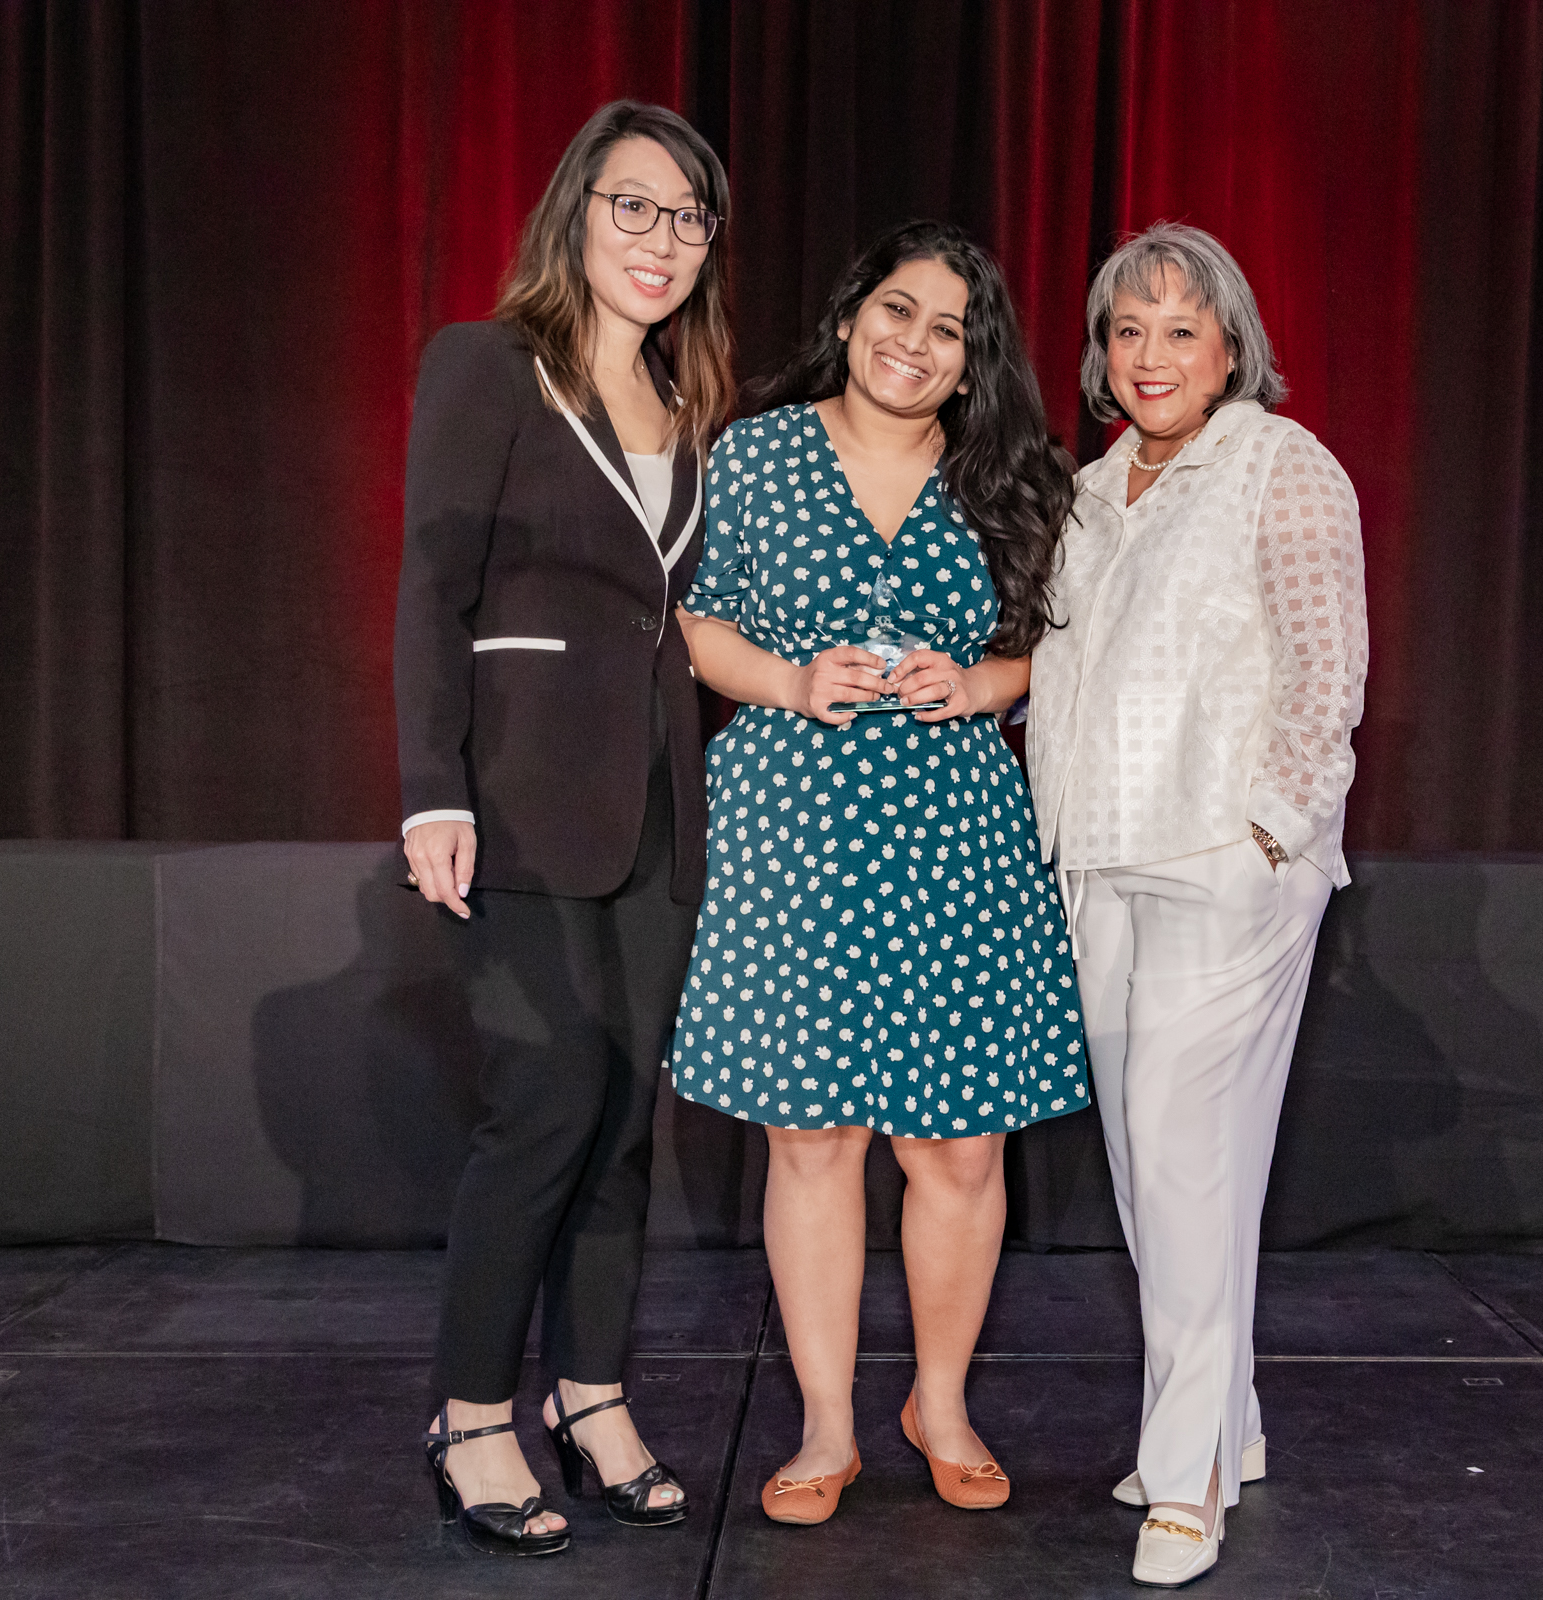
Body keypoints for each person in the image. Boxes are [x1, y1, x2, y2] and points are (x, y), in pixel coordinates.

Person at [669, 220, 1088, 1526]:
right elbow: (696, 625)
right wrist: (792, 680)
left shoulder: (1014, 476)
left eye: (948, 329)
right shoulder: (754, 454)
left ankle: (941, 1405)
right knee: (813, 1137)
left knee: (957, 1146)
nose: (915, 343)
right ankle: (827, 1423)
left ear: (973, 360)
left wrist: (986, 683)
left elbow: (1070, 647)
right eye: (896, 311)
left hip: (958, 830)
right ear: (851, 315)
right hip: (794, 822)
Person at [393, 100, 733, 1557]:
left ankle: (590, 1397)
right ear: (576, 212)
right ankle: (473, 1415)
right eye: (633, 206)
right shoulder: (489, 363)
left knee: (622, 1117)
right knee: (542, 1100)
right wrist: (433, 787)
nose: (662, 239)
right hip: (518, 796)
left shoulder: (688, 405)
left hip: (658, 807)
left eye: (689, 217)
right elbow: (432, 586)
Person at [1027, 222, 1368, 1588]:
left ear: (1233, 349)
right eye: (1128, 330)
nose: (1151, 354)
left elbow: (1327, 665)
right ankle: (1229, 1422)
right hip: (1097, 861)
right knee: (1152, 1169)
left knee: (1180, 1163)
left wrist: (1271, 833)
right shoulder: (1093, 489)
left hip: (1225, 861)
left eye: (1181, 328)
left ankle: (1189, 1481)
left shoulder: (1282, 465)